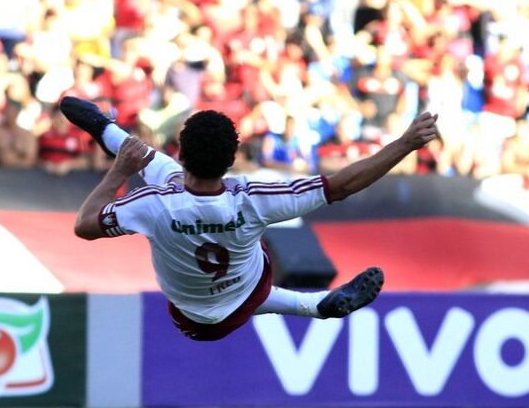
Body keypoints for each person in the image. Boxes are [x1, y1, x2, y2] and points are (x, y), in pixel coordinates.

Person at [60, 96, 438, 341]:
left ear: (181, 152)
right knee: (248, 262)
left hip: (187, 313)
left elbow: (84, 224)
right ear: (232, 160)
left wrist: (118, 171)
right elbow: (341, 186)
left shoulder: (152, 203)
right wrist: (406, 143)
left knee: (156, 169)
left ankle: (104, 128)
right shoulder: (255, 197)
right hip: (245, 295)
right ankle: (314, 306)